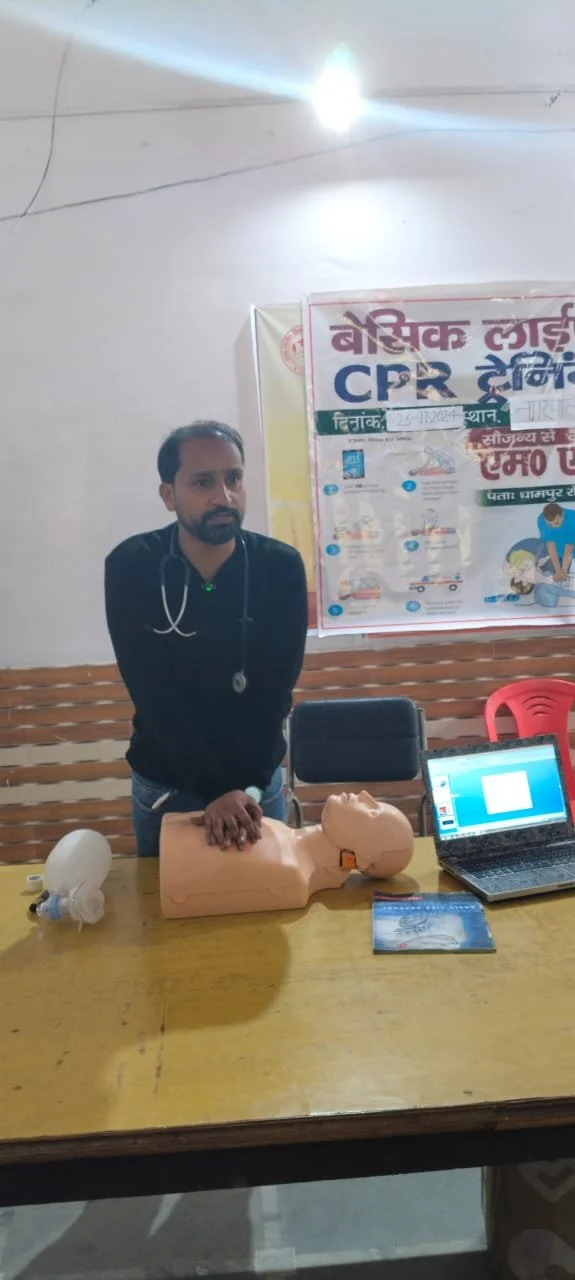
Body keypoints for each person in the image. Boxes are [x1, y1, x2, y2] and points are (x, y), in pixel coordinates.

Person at [105, 421, 308, 856]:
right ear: (168, 495)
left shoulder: (280, 568)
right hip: (168, 786)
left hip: (255, 787)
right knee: (166, 919)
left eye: (233, 478)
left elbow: (275, 693)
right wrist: (216, 789)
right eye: (203, 482)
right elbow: (153, 693)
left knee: (269, 910)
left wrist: (238, 790)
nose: (224, 497)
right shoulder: (132, 566)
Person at [159, 791, 414, 919]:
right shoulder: (286, 841)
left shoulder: (291, 874)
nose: (364, 796)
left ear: (367, 854)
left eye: (373, 812)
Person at [537, 502, 575, 583]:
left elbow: (569, 548)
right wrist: (558, 571)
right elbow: (550, 546)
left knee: (565, 575)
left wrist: (563, 570)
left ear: (562, 514)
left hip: (571, 547)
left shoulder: (573, 519)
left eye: (557, 523)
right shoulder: (541, 520)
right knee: (556, 577)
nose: (554, 526)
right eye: (550, 525)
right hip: (556, 550)